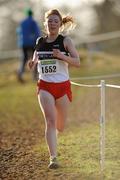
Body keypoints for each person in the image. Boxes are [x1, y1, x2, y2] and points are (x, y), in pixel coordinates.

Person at [28, 9, 80, 169]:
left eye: (55, 21)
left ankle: (56, 139)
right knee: (50, 121)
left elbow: (77, 62)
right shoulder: (40, 41)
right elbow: (35, 60)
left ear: (60, 24)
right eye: (50, 21)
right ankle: (53, 158)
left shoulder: (66, 41)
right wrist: (32, 64)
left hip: (62, 87)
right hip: (45, 86)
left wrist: (62, 56)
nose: (52, 24)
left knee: (60, 125)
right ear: (46, 23)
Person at [16, 8, 41, 82]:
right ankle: (35, 76)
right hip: (32, 43)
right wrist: (39, 42)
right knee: (35, 59)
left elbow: (18, 32)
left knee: (24, 59)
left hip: (23, 43)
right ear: (32, 14)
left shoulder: (22, 22)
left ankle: (20, 73)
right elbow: (37, 33)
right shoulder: (33, 22)